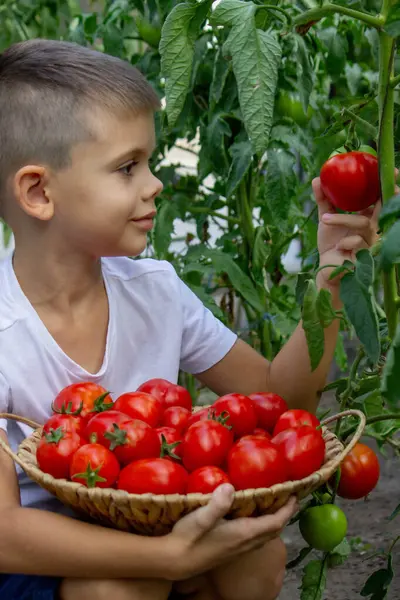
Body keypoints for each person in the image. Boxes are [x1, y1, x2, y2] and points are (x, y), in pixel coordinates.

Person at [0, 39, 379, 600]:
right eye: (128, 167)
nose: (155, 184)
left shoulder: (155, 291)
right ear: (38, 191)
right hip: (44, 563)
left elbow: (280, 398)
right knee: (116, 590)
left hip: (168, 526)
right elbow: (6, 532)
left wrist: (332, 271)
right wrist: (167, 558)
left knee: (258, 560)